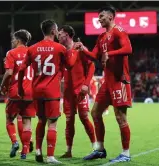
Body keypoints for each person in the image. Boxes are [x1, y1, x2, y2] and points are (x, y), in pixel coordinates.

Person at [76, 6, 133, 163]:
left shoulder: (118, 31)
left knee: (120, 117)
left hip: (119, 80)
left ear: (110, 16)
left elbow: (128, 48)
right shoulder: (101, 37)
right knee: (95, 113)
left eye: (101, 16)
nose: (99, 19)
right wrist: (83, 49)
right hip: (107, 82)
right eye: (98, 17)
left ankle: (126, 153)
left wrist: (110, 54)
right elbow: (94, 55)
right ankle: (100, 150)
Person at [18, 19, 77, 164]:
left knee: (40, 120)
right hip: (52, 91)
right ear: (52, 31)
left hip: (36, 90)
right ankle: (50, 156)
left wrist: (20, 87)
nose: (58, 33)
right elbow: (70, 65)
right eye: (57, 30)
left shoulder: (32, 48)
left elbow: (21, 70)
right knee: (53, 123)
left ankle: (38, 150)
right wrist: (73, 51)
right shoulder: (60, 48)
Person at [58, 25, 97, 158]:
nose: (58, 36)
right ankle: (68, 151)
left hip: (80, 90)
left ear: (67, 35)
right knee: (69, 121)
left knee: (84, 117)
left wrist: (86, 85)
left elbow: (91, 65)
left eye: (60, 34)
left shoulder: (80, 48)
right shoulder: (61, 51)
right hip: (68, 93)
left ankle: (95, 147)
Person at [0, 29, 35, 159]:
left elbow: (9, 73)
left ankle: (14, 142)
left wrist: (2, 86)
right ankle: (24, 151)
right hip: (31, 91)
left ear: (18, 40)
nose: (13, 42)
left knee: (9, 118)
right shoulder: (33, 52)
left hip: (16, 90)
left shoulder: (11, 53)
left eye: (14, 39)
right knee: (27, 121)